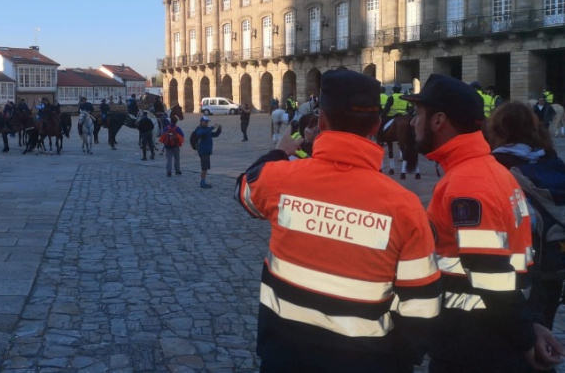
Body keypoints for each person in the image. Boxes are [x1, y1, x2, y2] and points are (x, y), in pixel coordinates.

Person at [235, 70, 441, 373]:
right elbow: (422, 305)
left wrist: (280, 151)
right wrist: (398, 359)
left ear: (321, 123)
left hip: (285, 354)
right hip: (367, 360)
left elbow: (244, 190)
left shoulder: (281, 179)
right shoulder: (405, 207)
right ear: (375, 126)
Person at [400, 74, 537, 372]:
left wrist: (526, 340)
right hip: (490, 334)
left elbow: (492, 279)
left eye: (417, 114)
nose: (412, 123)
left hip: (474, 344)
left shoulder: (467, 184)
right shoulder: (489, 169)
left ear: (438, 121)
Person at [485, 101, 565, 372]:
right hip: (554, 261)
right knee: (545, 326)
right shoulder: (551, 160)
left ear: (498, 129)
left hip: (519, 267)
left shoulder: (496, 164)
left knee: (516, 336)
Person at [193, 116, 221, 188]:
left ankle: (203, 181)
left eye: (207, 122)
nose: (207, 123)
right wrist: (212, 127)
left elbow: (215, 135)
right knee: (204, 168)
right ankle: (202, 182)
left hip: (207, 151)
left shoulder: (207, 129)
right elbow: (201, 133)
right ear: (201, 122)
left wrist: (219, 129)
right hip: (203, 151)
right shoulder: (199, 129)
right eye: (205, 122)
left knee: (205, 168)